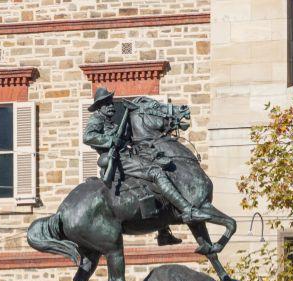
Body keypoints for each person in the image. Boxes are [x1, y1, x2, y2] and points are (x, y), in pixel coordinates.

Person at [82, 87, 207, 245]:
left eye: (110, 101)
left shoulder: (111, 121)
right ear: (99, 106)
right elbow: (88, 137)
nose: (110, 104)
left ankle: (164, 231)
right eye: (106, 103)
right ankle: (187, 210)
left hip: (127, 155)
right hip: (117, 159)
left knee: (157, 174)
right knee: (155, 172)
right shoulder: (97, 118)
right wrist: (110, 140)